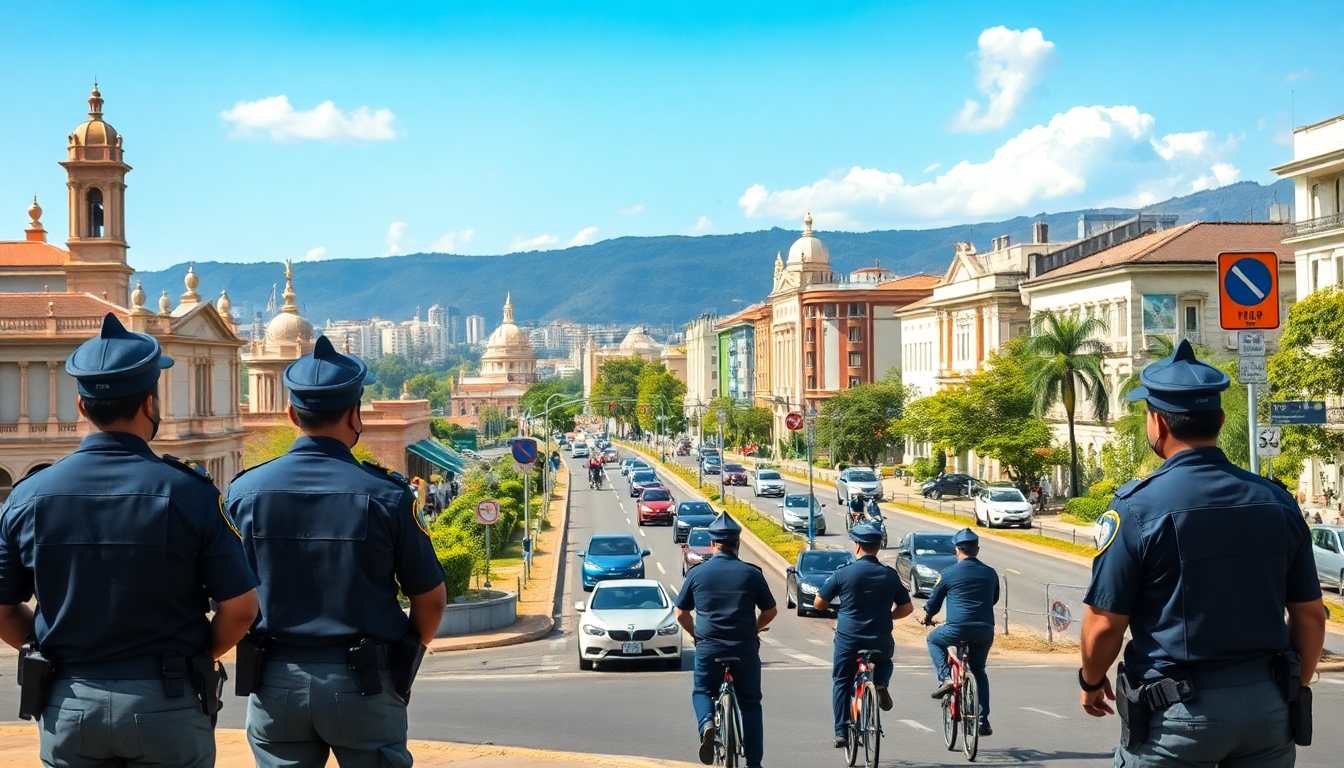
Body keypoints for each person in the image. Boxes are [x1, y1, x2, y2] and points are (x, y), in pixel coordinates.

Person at [0, 314, 260, 765]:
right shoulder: (190, 493)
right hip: (167, 702)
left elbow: (2, 608)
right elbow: (240, 608)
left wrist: (44, 646)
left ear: (82, 408)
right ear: (150, 404)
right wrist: (196, 654)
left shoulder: (28, 497)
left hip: (69, 705)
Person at [1079, 339, 1325, 767]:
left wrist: (1091, 679)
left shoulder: (1136, 509)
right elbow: (1310, 616)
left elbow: (1104, 625)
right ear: (1222, 418)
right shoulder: (1278, 502)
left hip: (1178, 719)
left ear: (1158, 424)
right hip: (1268, 712)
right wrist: (1292, 688)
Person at [227, 336, 448, 766]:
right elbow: (432, 600)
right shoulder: (388, 495)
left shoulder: (243, 492)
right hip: (364, 681)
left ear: (292, 414)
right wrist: (399, 663)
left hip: (275, 681)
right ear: (355, 414)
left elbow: (228, 597)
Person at [674, 513, 777, 768]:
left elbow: (681, 613)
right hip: (744, 647)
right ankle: (754, 763)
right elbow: (770, 611)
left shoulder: (697, 573)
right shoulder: (752, 574)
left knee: (703, 691)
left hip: (709, 646)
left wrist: (695, 635)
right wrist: (753, 629)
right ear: (738, 544)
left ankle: (707, 723)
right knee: (750, 704)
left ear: (713, 544)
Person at [814, 523, 913, 748]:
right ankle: (880, 683)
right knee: (885, 661)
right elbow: (906, 609)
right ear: (878, 548)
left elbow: (819, 603)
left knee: (841, 681)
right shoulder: (890, 575)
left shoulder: (843, 573)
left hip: (849, 639)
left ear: (857, 546)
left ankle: (841, 731)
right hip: (880, 638)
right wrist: (887, 617)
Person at [924, 528, 999, 736]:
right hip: (985, 629)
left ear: (957, 550)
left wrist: (927, 617)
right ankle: (983, 719)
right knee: (979, 670)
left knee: (933, 639)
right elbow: (993, 599)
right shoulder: (990, 572)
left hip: (956, 628)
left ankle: (946, 678)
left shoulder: (948, 573)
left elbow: (934, 603)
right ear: (977, 550)